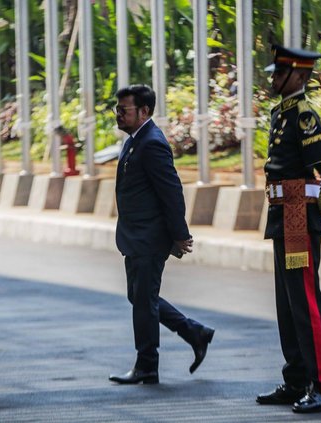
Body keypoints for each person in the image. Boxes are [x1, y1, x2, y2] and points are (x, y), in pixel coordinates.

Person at [109, 84, 215, 385]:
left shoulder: (152, 143)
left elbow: (171, 192)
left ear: (144, 111)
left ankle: (147, 365)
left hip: (149, 237)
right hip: (136, 235)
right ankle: (194, 332)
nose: (118, 114)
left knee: (143, 299)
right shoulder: (134, 141)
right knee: (140, 296)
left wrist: (179, 234)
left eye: (124, 110)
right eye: (117, 109)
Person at [256, 45, 321, 413]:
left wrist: (317, 215)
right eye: (274, 72)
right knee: (287, 305)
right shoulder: (281, 113)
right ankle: (296, 381)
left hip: (297, 220)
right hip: (281, 216)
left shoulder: (304, 116)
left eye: (280, 72)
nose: (273, 78)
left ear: (300, 76)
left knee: (305, 304)